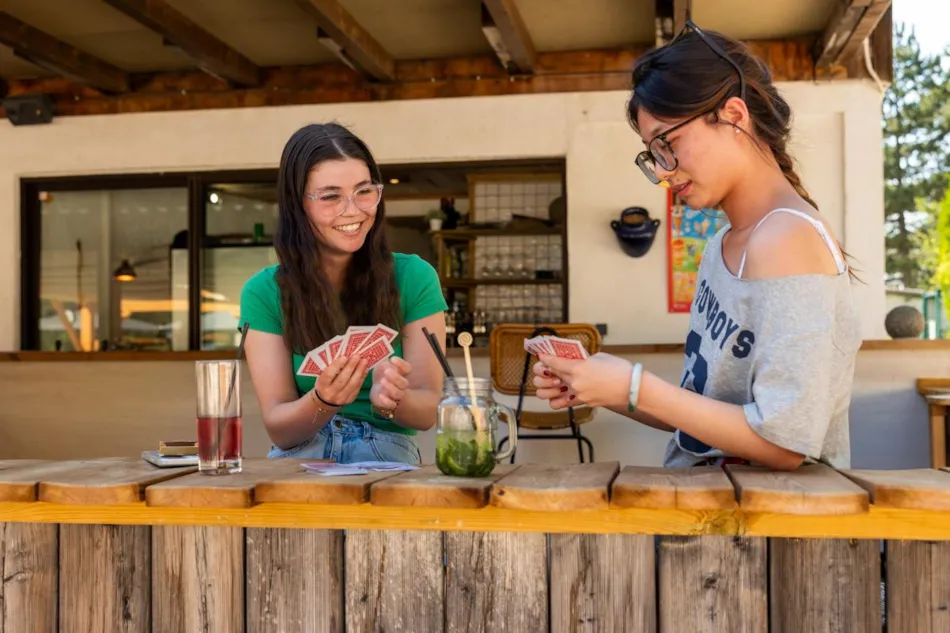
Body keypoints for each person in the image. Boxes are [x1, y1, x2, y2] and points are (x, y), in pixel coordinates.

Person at [532, 21, 862, 471]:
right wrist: (603, 387)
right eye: (654, 154)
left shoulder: (789, 238)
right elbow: (701, 417)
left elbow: (785, 443)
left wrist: (634, 386)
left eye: (668, 144)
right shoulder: (722, 245)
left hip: (769, 531)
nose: (664, 171)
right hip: (714, 516)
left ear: (734, 116)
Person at [239, 122, 448, 464]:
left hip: (385, 451)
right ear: (297, 204)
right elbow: (280, 429)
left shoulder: (414, 277)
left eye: (364, 191)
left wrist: (393, 400)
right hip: (300, 456)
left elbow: (426, 412)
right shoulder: (263, 292)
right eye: (331, 196)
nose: (353, 211)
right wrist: (323, 399)